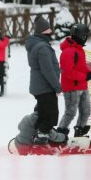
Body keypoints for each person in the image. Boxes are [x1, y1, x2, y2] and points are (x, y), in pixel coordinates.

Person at [25, 15, 63, 144]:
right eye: (48, 31)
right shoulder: (42, 47)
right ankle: (42, 137)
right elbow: (47, 70)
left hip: (39, 86)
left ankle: (39, 135)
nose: (50, 34)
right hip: (45, 86)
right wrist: (57, 86)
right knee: (51, 114)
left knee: (43, 113)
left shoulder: (37, 45)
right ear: (43, 32)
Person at [57, 24, 91, 137]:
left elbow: (81, 67)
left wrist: (89, 72)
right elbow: (67, 72)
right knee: (70, 113)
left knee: (86, 111)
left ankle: (80, 133)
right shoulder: (68, 52)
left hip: (82, 86)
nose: (85, 38)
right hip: (71, 88)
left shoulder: (79, 50)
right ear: (79, 36)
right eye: (84, 36)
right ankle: (60, 133)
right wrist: (84, 77)